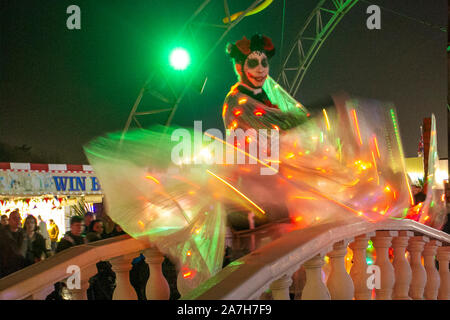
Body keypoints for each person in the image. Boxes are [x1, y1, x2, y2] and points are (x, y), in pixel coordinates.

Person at [0, 210, 27, 278]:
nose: (17, 220)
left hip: (21, 268)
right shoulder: (2, 234)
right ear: (9, 220)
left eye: (19, 218)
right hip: (5, 269)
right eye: (14, 218)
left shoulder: (23, 234)